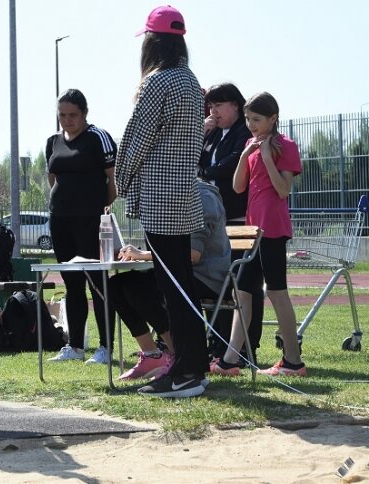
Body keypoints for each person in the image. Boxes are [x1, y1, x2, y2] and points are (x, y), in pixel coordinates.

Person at [115, 6, 208, 398]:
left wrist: (120, 180)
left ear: (152, 43)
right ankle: (194, 368)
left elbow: (137, 139)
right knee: (182, 285)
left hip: (159, 195)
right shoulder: (190, 80)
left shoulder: (158, 83)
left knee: (174, 290)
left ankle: (186, 372)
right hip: (185, 193)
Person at [211, 91, 306, 377]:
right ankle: (230, 361)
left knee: (277, 293)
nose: (251, 124)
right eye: (248, 119)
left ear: (273, 119)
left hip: (273, 229)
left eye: (257, 119)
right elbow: (239, 187)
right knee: (242, 293)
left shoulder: (285, 146)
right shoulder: (251, 145)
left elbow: (283, 190)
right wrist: (245, 155)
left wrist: (265, 156)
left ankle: (293, 361)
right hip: (254, 231)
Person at [112, 180, 230, 380]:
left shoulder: (203, 198)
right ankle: (152, 355)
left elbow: (193, 255)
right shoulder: (175, 197)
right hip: (182, 272)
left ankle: (179, 355)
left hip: (206, 278)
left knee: (141, 289)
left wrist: (143, 255)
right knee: (117, 284)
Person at [45, 88, 117, 364]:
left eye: (72, 115)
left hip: (92, 220)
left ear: (84, 113)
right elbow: (53, 178)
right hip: (60, 220)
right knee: (72, 282)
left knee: (98, 282)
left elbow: (113, 181)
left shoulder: (99, 137)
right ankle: (74, 346)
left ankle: (106, 348)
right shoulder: (52, 141)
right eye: (62, 115)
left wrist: (97, 208)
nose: (67, 120)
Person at [199, 82, 264, 361]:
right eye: (210, 106)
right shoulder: (211, 133)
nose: (214, 111)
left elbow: (231, 166)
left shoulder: (243, 133)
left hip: (240, 218)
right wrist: (200, 133)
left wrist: (207, 171)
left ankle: (248, 346)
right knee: (217, 283)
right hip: (213, 223)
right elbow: (194, 162)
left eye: (219, 105)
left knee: (243, 284)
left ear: (235, 105)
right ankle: (219, 343)